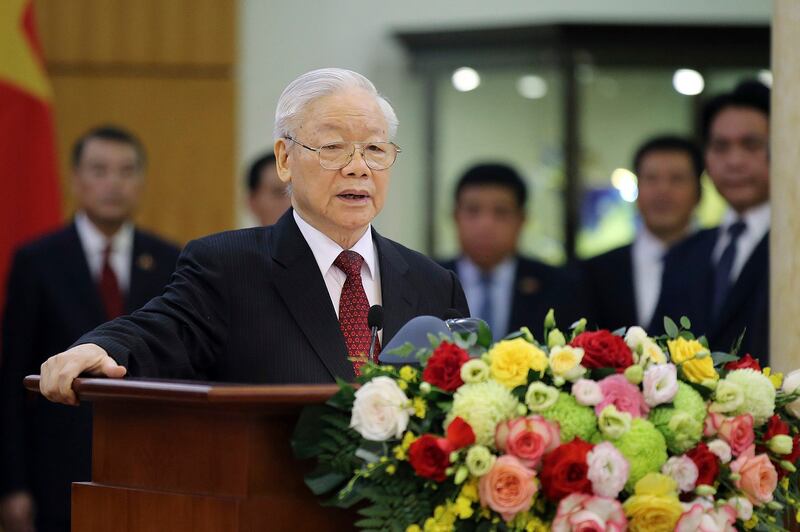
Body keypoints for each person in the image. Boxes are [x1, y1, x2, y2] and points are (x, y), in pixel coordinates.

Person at [39, 68, 470, 407]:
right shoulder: (228, 267)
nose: (358, 167)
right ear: (285, 159)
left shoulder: (433, 282)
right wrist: (98, 347)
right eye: (334, 148)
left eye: (375, 150)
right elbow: (163, 329)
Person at [0, 125, 180, 532]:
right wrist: (12, 486)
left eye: (126, 170)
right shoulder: (37, 260)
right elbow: (13, 378)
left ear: (142, 181)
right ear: (77, 179)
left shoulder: (173, 259)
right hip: (56, 473)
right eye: (99, 170)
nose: (113, 183)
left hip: (149, 471)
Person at [655, 80, 770, 363]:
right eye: (720, 146)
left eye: (750, 145)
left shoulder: (791, 249)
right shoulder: (684, 253)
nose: (734, 161)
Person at [440, 163, 580, 340]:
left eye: (501, 212)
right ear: (455, 216)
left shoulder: (560, 286)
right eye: (473, 211)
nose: (486, 225)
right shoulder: (427, 280)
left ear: (522, 220)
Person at [582, 135, 703, 332]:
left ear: (699, 192)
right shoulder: (593, 272)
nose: (663, 190)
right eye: (651, 179)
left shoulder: (718, 263)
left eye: (677, 179)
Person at [246, 152, 291, 226]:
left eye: (297, 194)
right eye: (278, 193)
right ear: (252, 202)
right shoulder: (231, 237)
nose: (290, 203)